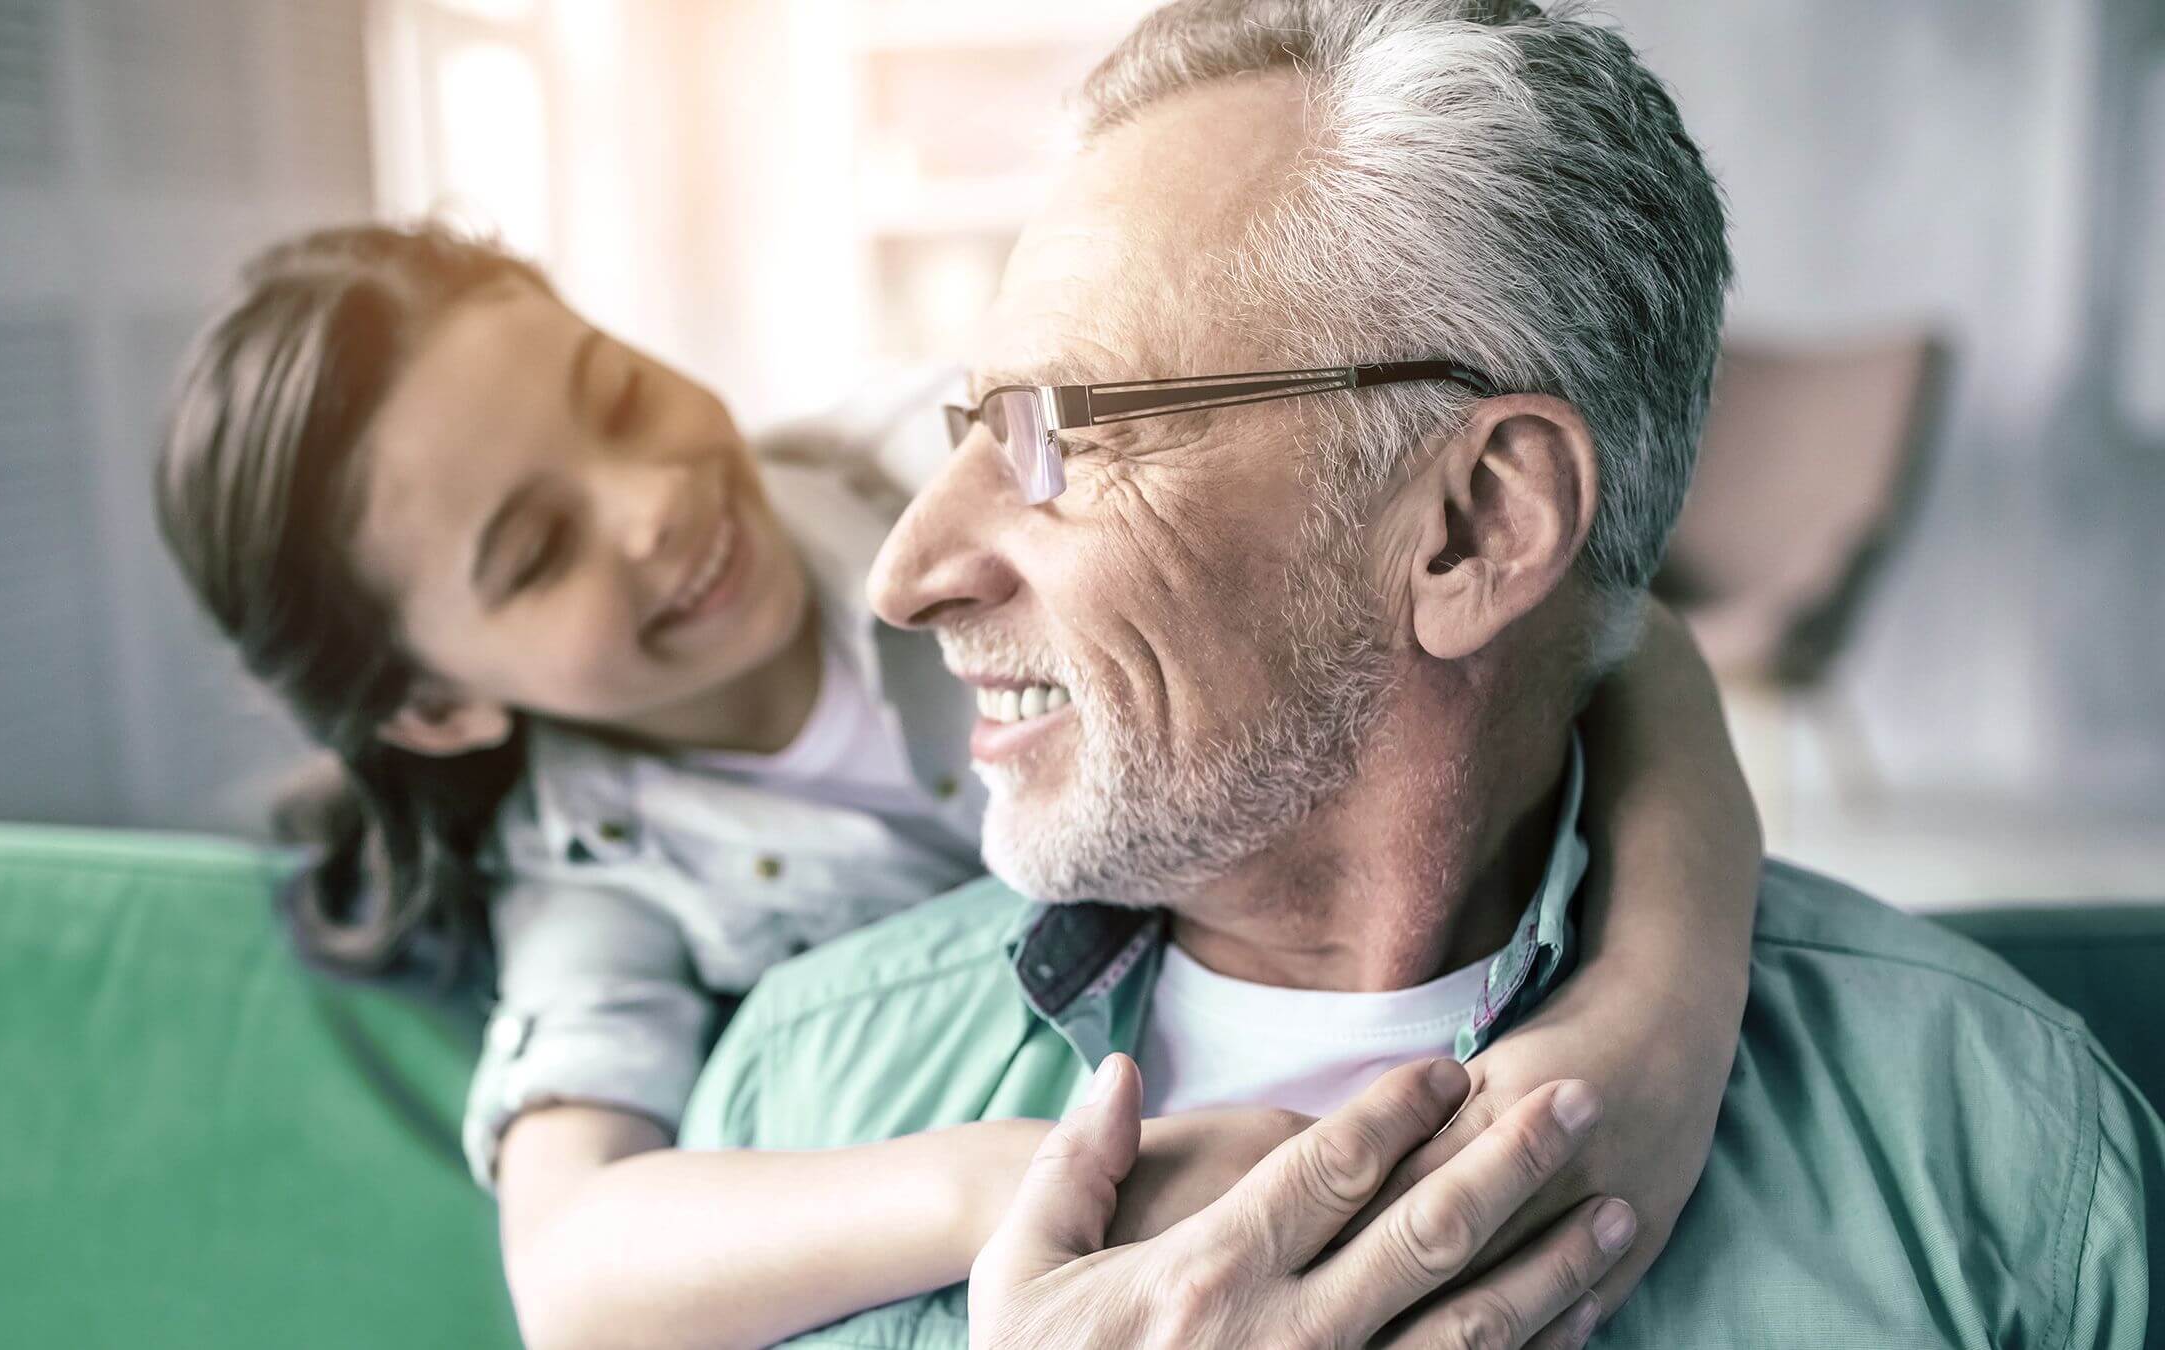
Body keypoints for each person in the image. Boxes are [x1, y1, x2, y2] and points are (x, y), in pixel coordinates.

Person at [679, 1, 2165, 1346]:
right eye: (968, 428)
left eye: (1060, 432)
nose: (909, 571)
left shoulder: (2002, 1157)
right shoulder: (789, 1113)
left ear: (1473, 526)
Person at [151, 214, 1757, 1347]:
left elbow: (1615, 630)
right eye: (536, 550)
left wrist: (1661, 1015)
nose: (648, 504)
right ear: (435, 708)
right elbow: (576, 1272)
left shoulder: (931, 453)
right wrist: (1012, 1181)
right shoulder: (600, 873)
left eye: (617, 395)